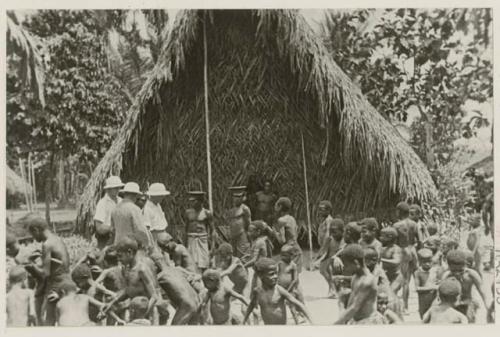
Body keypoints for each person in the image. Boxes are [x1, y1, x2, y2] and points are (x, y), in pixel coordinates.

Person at [102, 237, 162, 323]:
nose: (118, 260)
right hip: (135, 314)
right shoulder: (127, 269)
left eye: (120, 256)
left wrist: (143, 315)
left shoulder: (142, 269)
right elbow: (128, 291)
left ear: (129, 252)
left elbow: (154, 296)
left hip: (148, 316)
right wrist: (111, 303)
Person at [26, 216, 71, 326]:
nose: (33, 238)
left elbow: (45, 273)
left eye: (33, 235)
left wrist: (30, 264)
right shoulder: (57, 239)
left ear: (36, 230)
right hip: (65, 282)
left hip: (55, 285)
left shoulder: (47, 244)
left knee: (47, 322)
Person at [243, 258, 313, 325]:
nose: (275, 276)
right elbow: (251, 305)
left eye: (276, 273)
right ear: (261, 275)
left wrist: (312, 321)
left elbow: (299, 304)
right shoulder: (257, 291)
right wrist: (244, 320)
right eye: (271, 274)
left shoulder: (279, 290)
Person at [334, 244, 386, 324]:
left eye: (347, 265)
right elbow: (351, 301)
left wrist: (337, 323)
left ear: (356, 262)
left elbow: (355, 307)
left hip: (368, 322)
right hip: (356, 320)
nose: (345, 268)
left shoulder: (368, 281)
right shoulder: (355, 277)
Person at [442, 249, 490, 323]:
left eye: (461, 270)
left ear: (465, 264)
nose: (457, 274)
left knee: (469, 319)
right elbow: (440, 295)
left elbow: (482, 292)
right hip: (453, 305)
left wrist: (488, 308)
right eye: (454, 271)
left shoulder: (471, 274)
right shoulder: (446, 275)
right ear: (449, 266)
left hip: (468, 303)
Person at [392, 202, 419, 313]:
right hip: (413, 251)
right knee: (415, 278)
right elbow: (420, 241)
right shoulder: (414, 224)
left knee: (404, 280)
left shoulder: (396, 226)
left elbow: (394, 242)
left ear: (399, 211)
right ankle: (414, 306)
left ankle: (405, 307)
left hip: (403, 252)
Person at [110, 182, 152, 250]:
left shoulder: (115, 209)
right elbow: (140, 229)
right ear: (134, 195)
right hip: (130, 247)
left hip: (117, 245)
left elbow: (112, 229)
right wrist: (147, 244)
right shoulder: (134, 209)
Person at [314, 217, 345, 298]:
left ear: (342, 231)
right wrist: (317, 259)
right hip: (329, 258)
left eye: (335, 231)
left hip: (339, 260)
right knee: (322, 269)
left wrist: (335, 256)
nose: (333, 233)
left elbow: (343, 249)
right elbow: (323, 249)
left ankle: (335, 289)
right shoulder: (330, 239)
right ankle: (331, 287)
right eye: (331, 231)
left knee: (332, 271)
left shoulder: (343, 239)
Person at [185, 190, 214, 273]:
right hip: (191, 239)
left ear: (200, 201)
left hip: (203, 239)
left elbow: (213, 230)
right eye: (191, 201)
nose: (191, 203)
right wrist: (184, 244)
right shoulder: (188, 212)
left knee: (205, 262)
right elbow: (185, 230)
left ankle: (205, 279)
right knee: (191, 262)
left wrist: (212, 247)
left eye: (193, 201)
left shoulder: (207, 213)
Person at [93, 176, 124, 249]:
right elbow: (99, 227)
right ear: (108, 189)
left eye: (118, 187)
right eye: (115, 188)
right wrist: (111, 228)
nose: (117, 190)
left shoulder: (121, 201)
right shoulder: (102, 203)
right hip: (106, 238)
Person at [274, 197, 303, 272]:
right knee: (295, 276)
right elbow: (295, 234)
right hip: (296, 248)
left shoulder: (281, 220)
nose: (275, 206)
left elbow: (282, 240)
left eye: (276, 204)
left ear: (280, 206)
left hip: (288, 250)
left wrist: (274, 233)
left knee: (286, 275)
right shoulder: (292, 218)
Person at [225, 186, 252, 259]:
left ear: (242, 198)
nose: (236, 199)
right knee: (233, 253)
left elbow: (249, 221)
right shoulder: (231, 210)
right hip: (233, 234)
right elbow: (228, 222)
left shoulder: (244, 208)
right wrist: (228, 232)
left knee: (243, 252)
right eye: (234, 197)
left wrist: (249, 232)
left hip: (242, 233)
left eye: (238, 197)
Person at [414, 248, 441, 319]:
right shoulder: (418, 273)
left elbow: (440, 283)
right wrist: (432, 287)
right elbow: (417, 288)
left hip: (434, 301)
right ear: (420, 262)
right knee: (424, 318)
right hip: (423, 302)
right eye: (424, 262)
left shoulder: (435, 270)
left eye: (429, 261)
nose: (427, 264)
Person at [379, 227, 403, 293]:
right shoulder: (383, 248)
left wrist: (381, 260)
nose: (380, 238)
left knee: (391, 294)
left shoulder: (395, 249)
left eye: (382, 236)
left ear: (390, 237)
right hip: (386, 276)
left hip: (396, 277)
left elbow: (396, 261)